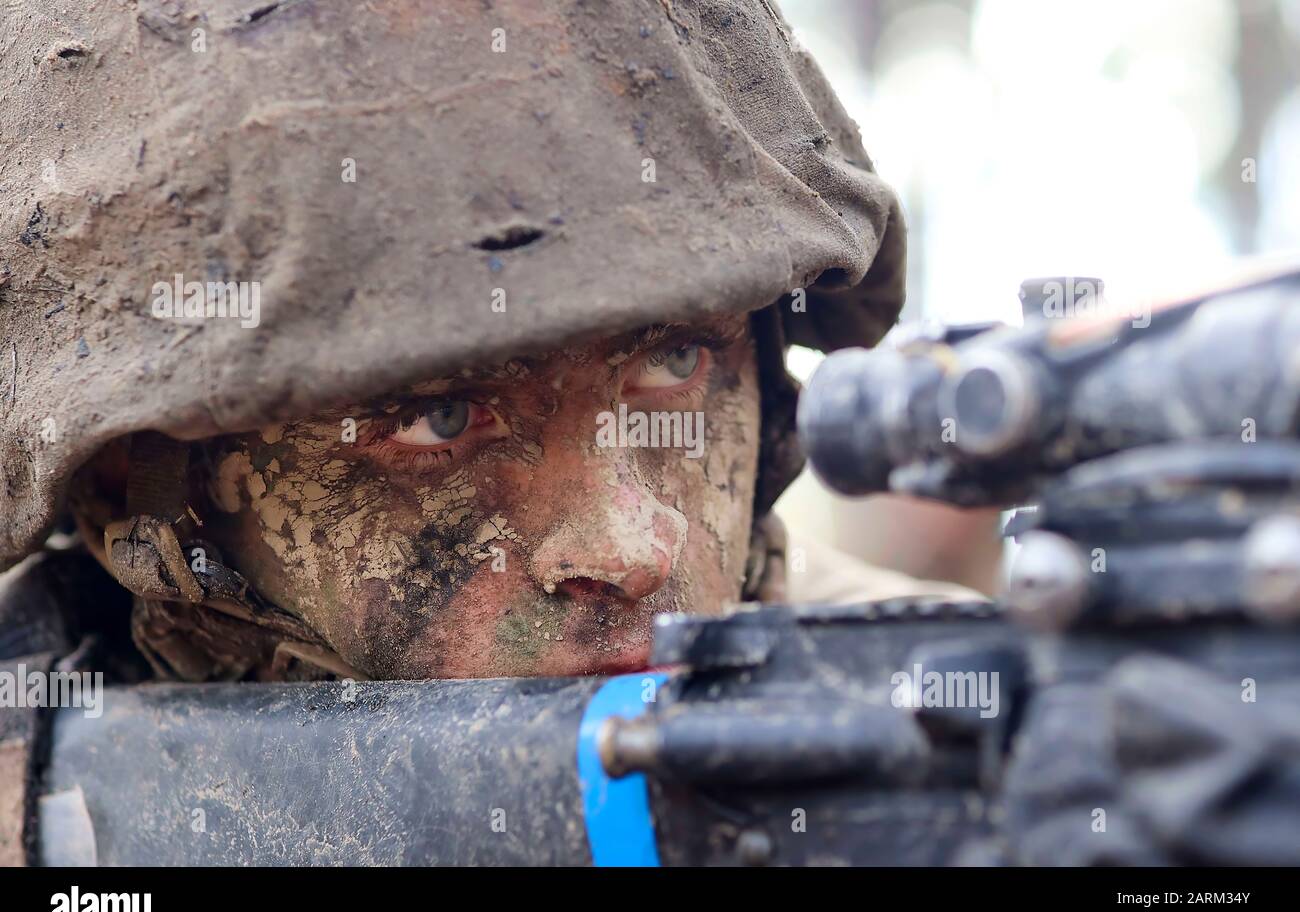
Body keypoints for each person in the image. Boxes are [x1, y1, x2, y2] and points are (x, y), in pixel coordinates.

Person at [1, 0, 972, 685]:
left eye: (673, 360)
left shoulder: (949, 725)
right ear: (140, 485)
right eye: (443, 417)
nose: (629, 546)